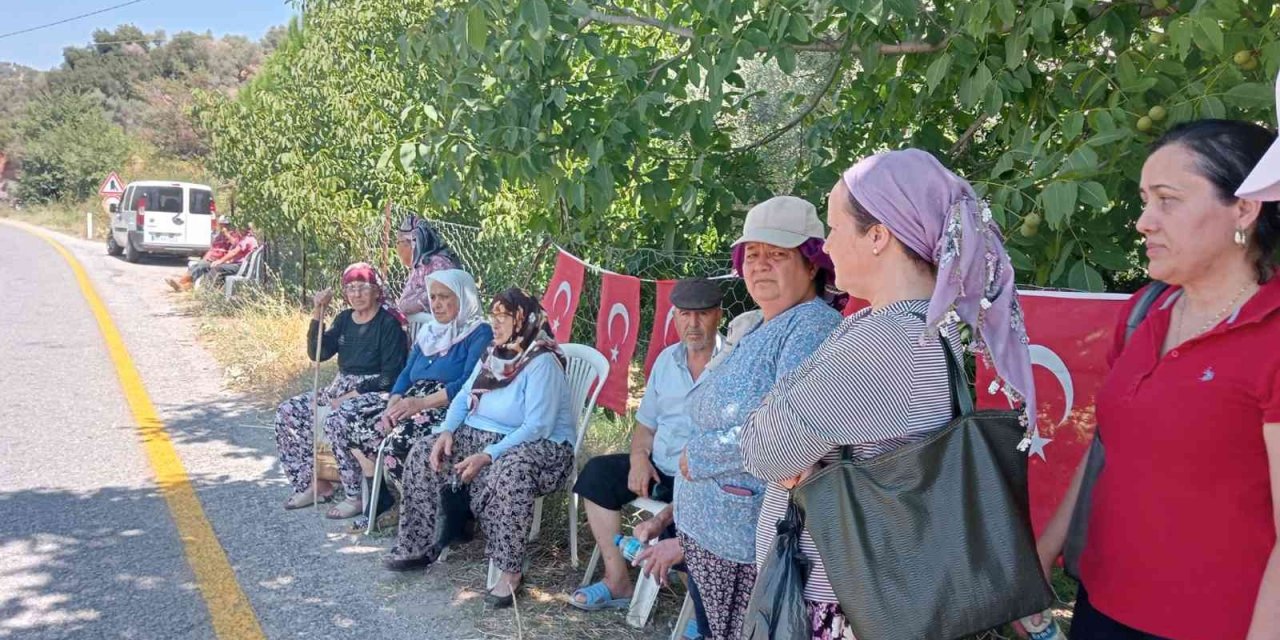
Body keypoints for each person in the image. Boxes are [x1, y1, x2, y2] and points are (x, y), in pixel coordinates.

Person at [738, 149, 1036, 639]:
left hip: (846, 604)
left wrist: (797, 447)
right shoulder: (928, 329)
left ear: (878, 236)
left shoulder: (886, 343)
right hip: (882, 597)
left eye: (834, 228)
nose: (826, 245)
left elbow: (762, 447)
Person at [1034, 120, 1280, 640]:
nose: (1144, 221)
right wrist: (1044, 551)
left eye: (1168, 200)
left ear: (1245, 207)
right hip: (1101, 607)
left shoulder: (1271, 336)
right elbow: (1107, 446)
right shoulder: (1146, 313)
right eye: (1145, 200)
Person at [674, 196, 843, 640]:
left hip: (745, 542)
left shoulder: (811, 327)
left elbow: (792, 433)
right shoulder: (758, 325)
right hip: (711, 534)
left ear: (811, 264)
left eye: (778, 254)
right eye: (753, 254)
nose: (761, 265)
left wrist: (701, 454)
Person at [383, 288, 576, 609]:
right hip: (481, 434)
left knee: (509, 470)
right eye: (494, 316)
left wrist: (489, 454)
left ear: (522, 320)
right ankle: (417, 545)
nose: (496, 324)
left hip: (538, 447)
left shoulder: (542, 361)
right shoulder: (494, 352)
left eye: (504, 317)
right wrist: (447, 431)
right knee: (423, 450)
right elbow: (463, 397)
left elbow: (537, 426)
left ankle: (510, 569)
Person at [569, 278, 724, 611]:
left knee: (702, 516)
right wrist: (639, 457)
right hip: (659, 468)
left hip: (701, 479)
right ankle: (617, 580)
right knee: (597, 474)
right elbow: (646, 425)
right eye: (684, 315)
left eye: (702, 314)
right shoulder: (667, 361)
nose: (693, 324)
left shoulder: (733, 364)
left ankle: (703, 609)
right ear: (676, 317)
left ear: (718, 316)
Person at [328, 269, 492, 530]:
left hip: (445, 406)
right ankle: (384, 499)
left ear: (463, 297)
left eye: (444, 297)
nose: (436, 304)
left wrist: (420, 404)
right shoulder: (430, 331)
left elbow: (467, 384)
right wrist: (394, 401)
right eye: (433, 296)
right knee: (347, 421)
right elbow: (406, 373)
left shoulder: (479, 332)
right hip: (411, 399)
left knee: (397, 439)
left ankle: (427, 512)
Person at [274, 263, 408, 514]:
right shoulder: (345, 319)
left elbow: (390, 377)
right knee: (288, 411)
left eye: (363, 288)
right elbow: (318, 352)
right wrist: (317, 311)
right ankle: (314, 483)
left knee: (338, 418)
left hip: (373, 391)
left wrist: (349, 396)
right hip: (340, 386)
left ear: (377, 291)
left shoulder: (387, 324)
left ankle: (354, 495)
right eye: (351, 288)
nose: (356, 294)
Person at [396, 215, 459, 316]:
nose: (397, 249)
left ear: (412, 244)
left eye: (398, 242)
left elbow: (405, 306)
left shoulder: (433, 264)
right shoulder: (424, 263)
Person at [166, 217, 237, 291]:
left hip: (219, 260)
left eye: (225, 225)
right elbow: (212, 250)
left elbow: (235, 245)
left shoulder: (233, 235)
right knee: (195, 266)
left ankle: (181, 283)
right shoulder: (218, 236)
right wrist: (205, 258)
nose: (223, 227)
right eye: (221, 225)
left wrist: (227, 234)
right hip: (211, 258)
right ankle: (184, 285)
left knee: (201, 266)